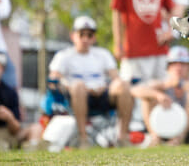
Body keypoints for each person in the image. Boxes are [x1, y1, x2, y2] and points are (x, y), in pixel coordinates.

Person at [48, 15, 132, 148]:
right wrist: (71, 87)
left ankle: (122, 137)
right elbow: (53, 81)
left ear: (94, 37)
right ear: (73, 36)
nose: (85, 39)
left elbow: (116, 78)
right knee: (79, 86)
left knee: (123, 85)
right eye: (81, 34)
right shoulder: (63, 56)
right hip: (77, 96)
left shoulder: (103, 54)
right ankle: (83, 138)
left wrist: (105, 87)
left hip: (102, 95)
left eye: (90, 35)